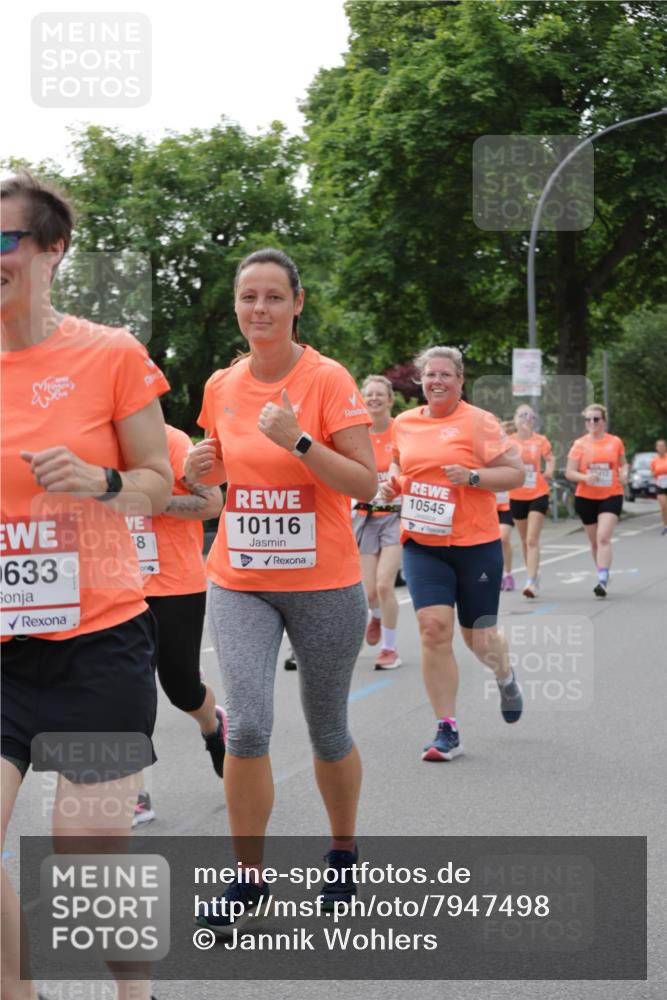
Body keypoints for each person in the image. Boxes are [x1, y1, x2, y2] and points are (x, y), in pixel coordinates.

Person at [1, 172, 172, 1000]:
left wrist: (102, 482)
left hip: (98, 639)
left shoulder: (108, 354)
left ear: (51, 249)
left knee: (86, 852)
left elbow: (158, 483)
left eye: (5, 240)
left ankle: (133, 993)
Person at [185, 248, 376, 935]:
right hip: (239, 580)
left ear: (297, 303)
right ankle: (247, 878)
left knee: (327, 730)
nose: (258, 309)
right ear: (236, 306)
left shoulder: (326, 380)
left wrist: (297, 439)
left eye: (272, 297)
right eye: (248, 298)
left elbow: (365, 483)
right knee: (250, 726)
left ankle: (343, 849)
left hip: (323, 582)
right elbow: (211, 494)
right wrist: (193, 469)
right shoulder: (220, 385)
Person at [380, 346, 525, 763]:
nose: (437, 381)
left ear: (460, 381)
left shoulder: (480, 422)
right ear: (421, 381)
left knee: (477, 636)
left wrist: (474, 476)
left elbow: (515, 473)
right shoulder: (404, 423)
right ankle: (448, 729)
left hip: (475, 545)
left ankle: (504, 673)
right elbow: (397, 466)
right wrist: (394, 483)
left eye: (446, 375)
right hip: (423, 544)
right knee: (432, 628)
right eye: (430, 375)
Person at [130, 424, 225, 828]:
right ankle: (133, 791)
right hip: (112, 586)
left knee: (181, 687)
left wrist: (148, 501)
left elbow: (211, 505)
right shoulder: (86, 440)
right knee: (126, 689)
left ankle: (212, 723)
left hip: (173, 585)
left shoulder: (171, 441)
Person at [352, 375, 403, 670]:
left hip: (395, 516)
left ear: (389, 400)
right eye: (368, 394)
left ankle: (389, 648)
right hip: (364, 516)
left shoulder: (402, 430)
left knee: (385, 585)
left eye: (379, 395)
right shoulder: (358, 432)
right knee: (369, 591)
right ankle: (377, 615)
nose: (373, 399)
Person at [565, 403, 628, 597]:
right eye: (589, 419)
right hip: (586, 497)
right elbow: (569, 472)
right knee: (594, 543)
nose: (592, 423)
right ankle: (603, 572)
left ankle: (602, 580)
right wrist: (585, 478)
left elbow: (623, 465)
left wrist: (624, 474)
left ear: (604, 421)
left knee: (603, 537)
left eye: (596, 419)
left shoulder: (615, 442)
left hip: (611, 494)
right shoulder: (579, 444)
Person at [508, 405, 555, 599]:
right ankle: (533, 573)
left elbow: (550, 458)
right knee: (523, 540)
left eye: (530, 415)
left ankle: (531, 582)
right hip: (517, 495)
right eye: (522, 415)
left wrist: (550, 470)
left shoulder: (540, 440)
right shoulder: (509, 441)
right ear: (515, 419)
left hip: (538, 493)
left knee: (531, 539)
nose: (527, 418)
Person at [498, 419, 516, 591]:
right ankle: (494, 575)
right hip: (489, 505)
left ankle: (508, 574)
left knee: (503, 538)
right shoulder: (486, 451)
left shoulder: (513, 452)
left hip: (507, 504)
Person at [650, 439, 667, 535]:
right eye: (658, 446)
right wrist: (656, 474)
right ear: (656, 448)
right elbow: (652, 472)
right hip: (660, 485)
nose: (660, 448)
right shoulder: (654, 460)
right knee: (664, 507)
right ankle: (665, 525)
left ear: (665, 447)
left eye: (662, 446)